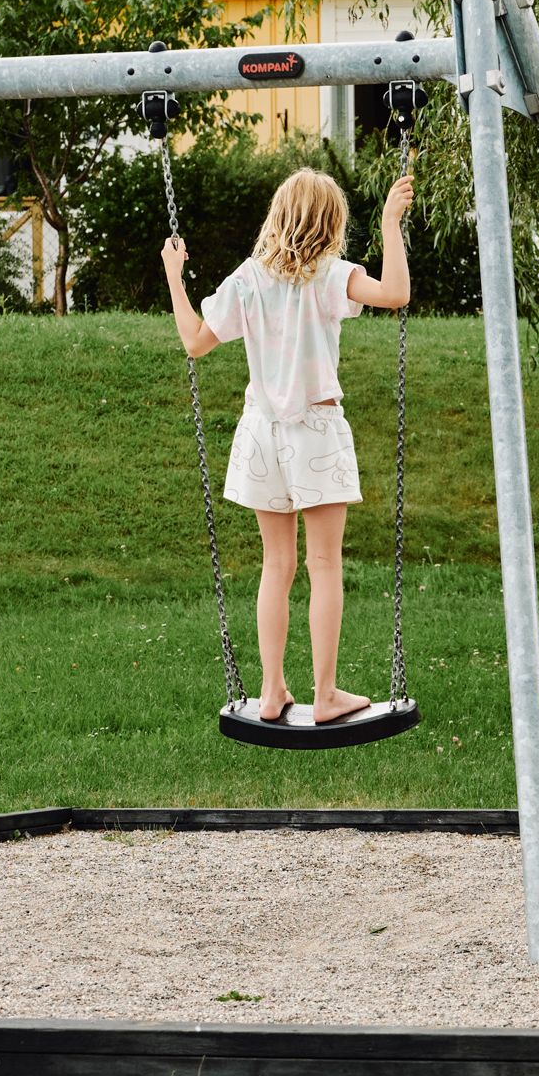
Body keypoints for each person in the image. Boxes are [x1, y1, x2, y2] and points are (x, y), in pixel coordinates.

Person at [163, 165, 414, 725]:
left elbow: (195, 343)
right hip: (315, 431)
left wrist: (175, 277)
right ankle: (324, 695)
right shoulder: (330, 275)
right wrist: (392, 224)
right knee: (323, 563)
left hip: (259, 433)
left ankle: (272, 690)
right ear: (330, 223)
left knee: (276, 565)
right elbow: (396, 294)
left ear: (280, 215)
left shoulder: (249, 279)